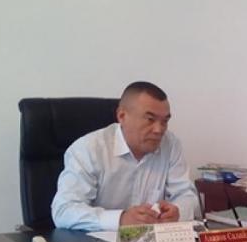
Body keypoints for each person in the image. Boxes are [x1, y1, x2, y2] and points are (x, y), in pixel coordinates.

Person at [51, 82, 200, 231]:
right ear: (122, 116)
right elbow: (64, 211)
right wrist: (121, 219)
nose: (158, 130)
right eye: (150, 119)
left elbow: (187, 196)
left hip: (153, 241)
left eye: (164, 121)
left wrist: (177, 212)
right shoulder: (89, 149)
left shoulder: (170, 145)